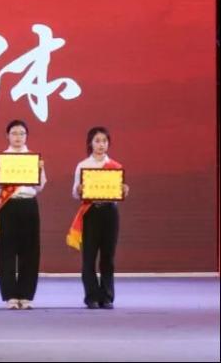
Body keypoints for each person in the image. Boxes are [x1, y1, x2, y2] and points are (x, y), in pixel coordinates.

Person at [67, 126, 129, 310]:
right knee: (89, 256)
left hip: (110, 213)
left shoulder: (115, 166)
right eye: (97, 141)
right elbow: (75, 193)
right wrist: (79, 190)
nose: (101, 145)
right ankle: (91, 296)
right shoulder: (83, 165)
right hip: (91, 212)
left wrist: (124, 190)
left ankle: (107, 296)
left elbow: (118, 193)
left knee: (108, 257)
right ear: (90, 143)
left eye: (104, 141)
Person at [0, 120, 45, 310]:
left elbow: (40, 186)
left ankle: (26, 295)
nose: (18, 137)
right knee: (7, 251)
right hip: (8, 205)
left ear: (26, 136)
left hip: (29, 205)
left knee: (30, 251)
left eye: (22, 133)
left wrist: (38, 171)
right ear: (7, 136)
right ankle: (10, 296)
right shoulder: (0, 158)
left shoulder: (33, 158)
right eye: (14, 133)